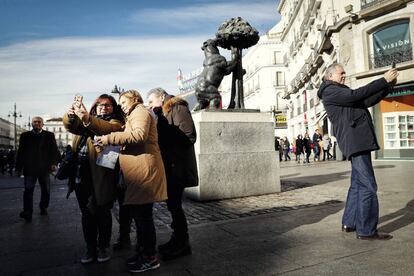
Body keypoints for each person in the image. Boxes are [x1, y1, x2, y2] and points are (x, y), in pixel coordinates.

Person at [317, 63, 398, 240]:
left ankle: (350, 223)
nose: (344, 75)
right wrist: (383, 79)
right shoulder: (331, 90)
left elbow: (366, 101)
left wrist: (387, 86)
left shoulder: (339, 91)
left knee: (357, 185)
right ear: (330, 76)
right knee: (369, 186)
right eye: (341, 73)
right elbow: (357, 95)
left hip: (357, 141)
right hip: (356, 142)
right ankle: (366, 230)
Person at [95, 90, 167, 273]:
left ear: (135, 99)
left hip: (144, 171)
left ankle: (150, 257)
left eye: (123, 101)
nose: (121, 105)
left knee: (144, 217)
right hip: (138, 171)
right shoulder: (134, 114)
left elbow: (139, 135)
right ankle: (143, 252)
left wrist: (108, 139)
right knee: (140, 216)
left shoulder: (140, 111)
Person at [63, 94, 123, 264]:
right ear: (95, 107)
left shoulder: (116, 122)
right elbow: (71, 126)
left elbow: (104, 129)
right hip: (81, 175)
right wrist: (72, 115)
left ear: (114, 108)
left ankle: (103, 246)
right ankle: (90, 247)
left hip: (103, 176)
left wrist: (87, 118)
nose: (104, 107)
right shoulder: (86, 121)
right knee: (87, 214)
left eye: (108, 105)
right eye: (100, 104)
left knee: (103, 213)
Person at [147, 87, 198, 260]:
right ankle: (177, 238)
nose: (150, 106)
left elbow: (189, 135)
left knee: (175, 204)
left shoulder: (177, 107)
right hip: (169, 165)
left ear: (161, 97)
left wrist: (161, 123)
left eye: (151, 101)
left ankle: (182, 243)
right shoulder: (164, 111)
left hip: (178, 166)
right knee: (172, 204)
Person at [15, 117, 60, 221]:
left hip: (44, 169)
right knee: (28, 191)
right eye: (35, 122)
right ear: (32, 124)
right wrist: (18, 167)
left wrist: (54, 163)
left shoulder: (49, 135)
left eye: (39, 122)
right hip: (29, 169)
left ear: (42, 124)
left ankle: (43, 207)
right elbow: (21, 152)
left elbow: (54, 151)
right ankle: (27, 212)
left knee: (46, 191)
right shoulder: (25, 136)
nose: (37, 123)